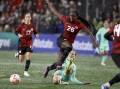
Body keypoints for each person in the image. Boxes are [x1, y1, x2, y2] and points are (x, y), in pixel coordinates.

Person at [44, 0, 97, 78]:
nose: (71, 17)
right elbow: (55, 12)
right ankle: (58, 69)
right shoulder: (65, 18)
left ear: (76, 17)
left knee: (59, 62)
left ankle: (48, 68)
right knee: (69, 47)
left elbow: (89, 32)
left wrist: (94, 42)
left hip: (67, 44)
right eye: (70, 15)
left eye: (73, 16)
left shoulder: (79, 24)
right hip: (61, 40)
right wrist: (49, 4)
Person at [15, 12, 38, 77]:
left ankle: (26, 71)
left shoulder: (32, 26)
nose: (27, 18)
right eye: (26, 17)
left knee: (28, 56)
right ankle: (18, 55)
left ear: (30, 18)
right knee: (21, 60)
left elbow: (35, 32)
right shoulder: (21, 25)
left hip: (29, 43)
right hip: (22, 43)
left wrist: (36, 35)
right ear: (24, 18)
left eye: (28, 17)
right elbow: (16, 31)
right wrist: (18, 34)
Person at [101, 20, 120, 89]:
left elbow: (106, 35)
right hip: (117, 54)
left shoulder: (116, 27)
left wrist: (113, 39)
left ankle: (107, 85)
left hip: (115, 53)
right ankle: (107, 85)